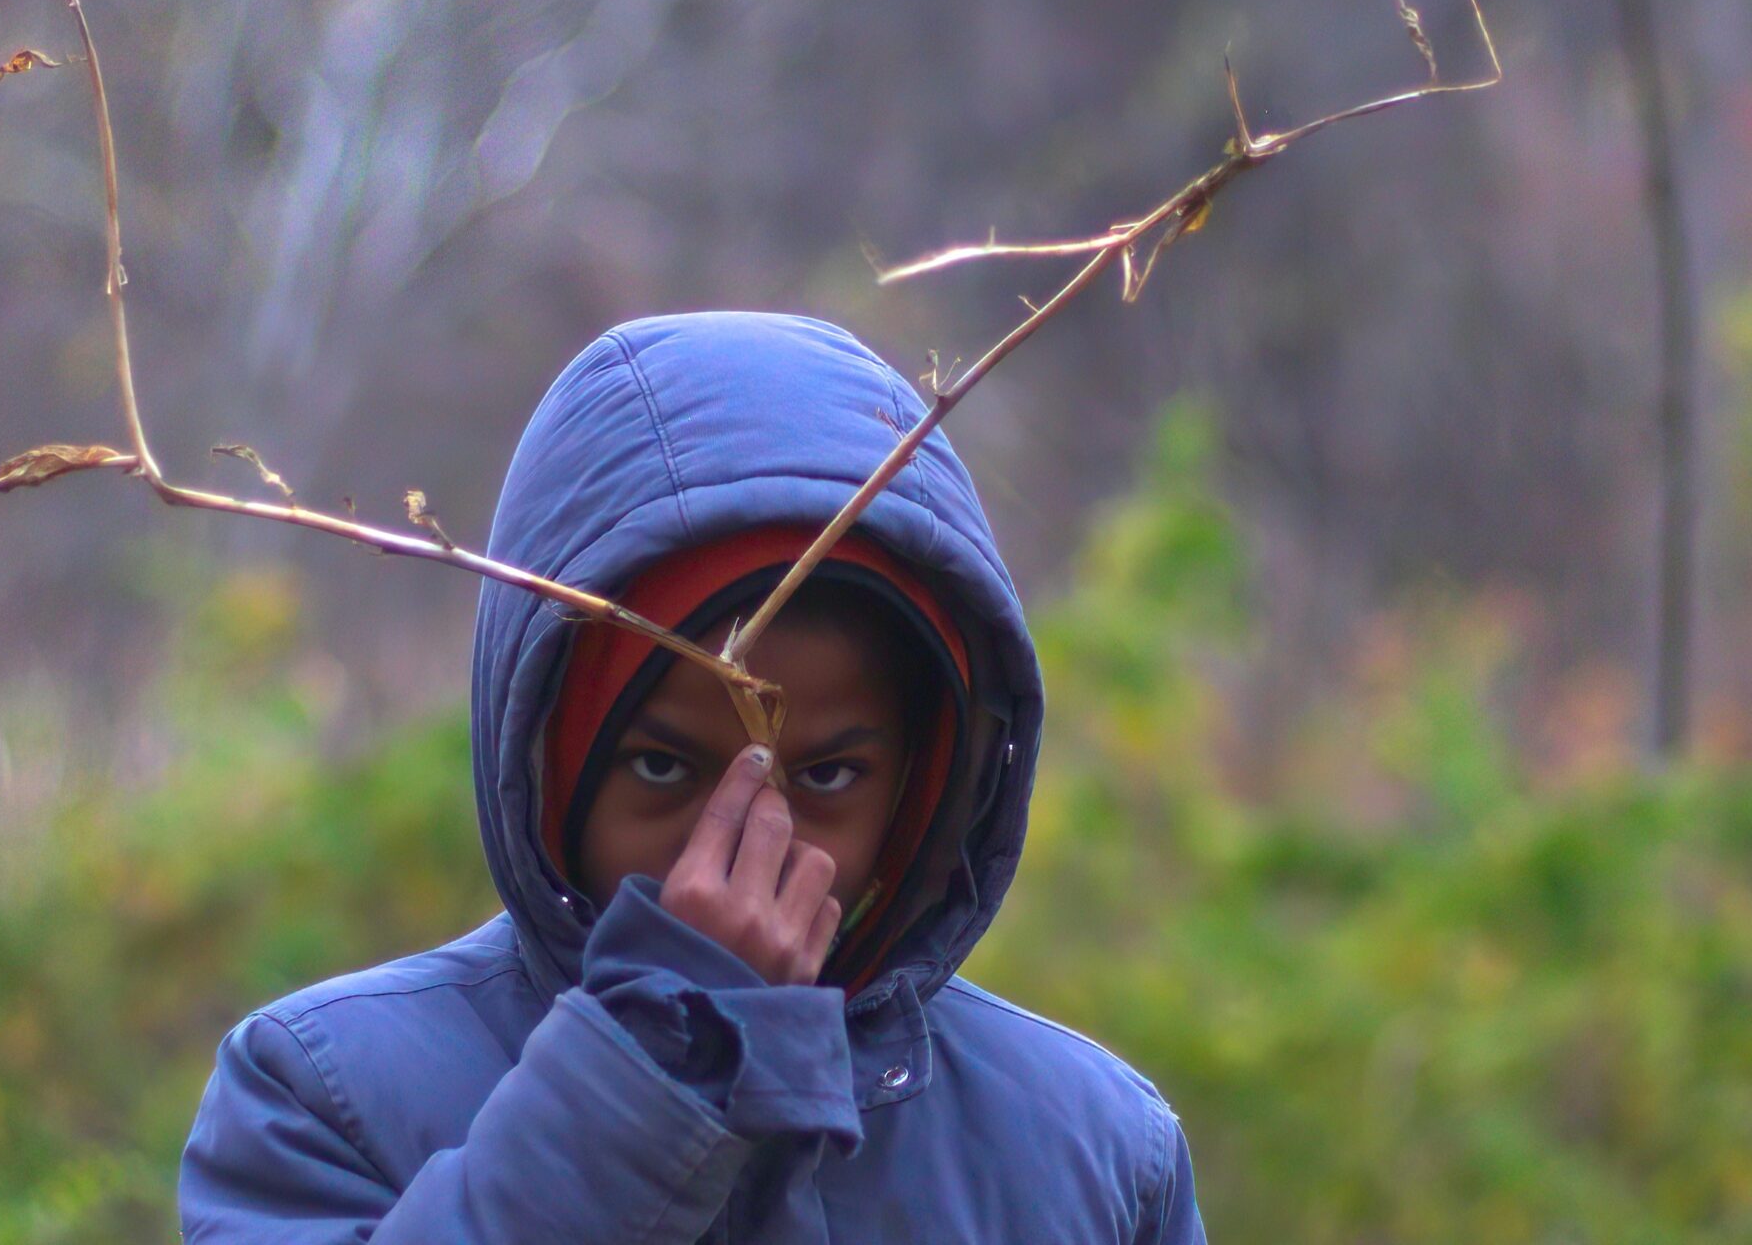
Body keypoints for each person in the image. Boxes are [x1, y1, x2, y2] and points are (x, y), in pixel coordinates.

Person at [179, 312, 1205, 1243]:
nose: (744, 845)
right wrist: (661, 1065)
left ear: (926, 793)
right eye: (662, 765)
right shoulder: (323, 1092)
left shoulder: (1098, 1154)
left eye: (831, 774)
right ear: (546, 762)